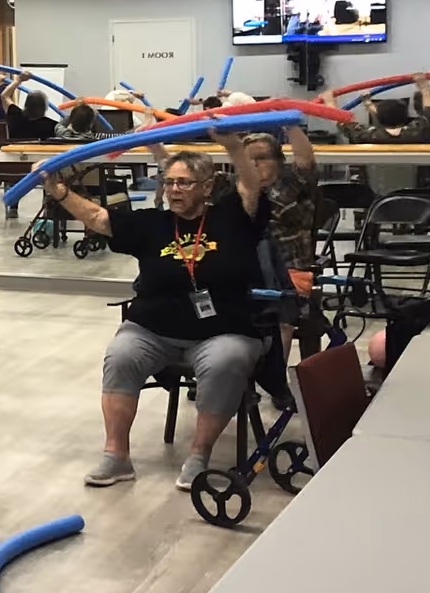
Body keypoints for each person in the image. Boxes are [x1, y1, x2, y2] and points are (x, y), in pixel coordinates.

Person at [43, 132, 268, 491]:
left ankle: (198, 456)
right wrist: (60, 193)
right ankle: (117, 456)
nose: (174, 190)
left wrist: (232, 146)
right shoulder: (154, 223)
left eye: (184, 183)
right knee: (121, 353)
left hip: (222, 331)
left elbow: (251, 187)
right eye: (169, 182)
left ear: (207, 187)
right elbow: (100, 219)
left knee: (227, 359)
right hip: (152, 329)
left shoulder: (233, 219)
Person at [240, 127, 320, 359]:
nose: (254, 164)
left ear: (278, 160)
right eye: (248, 159)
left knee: (280, 321)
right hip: (247, 272)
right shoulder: (238, 189)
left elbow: (306, 161)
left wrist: (291, 124)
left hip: (290, 270)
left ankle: (276, 383)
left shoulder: (293, 184)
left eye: (262, 158)